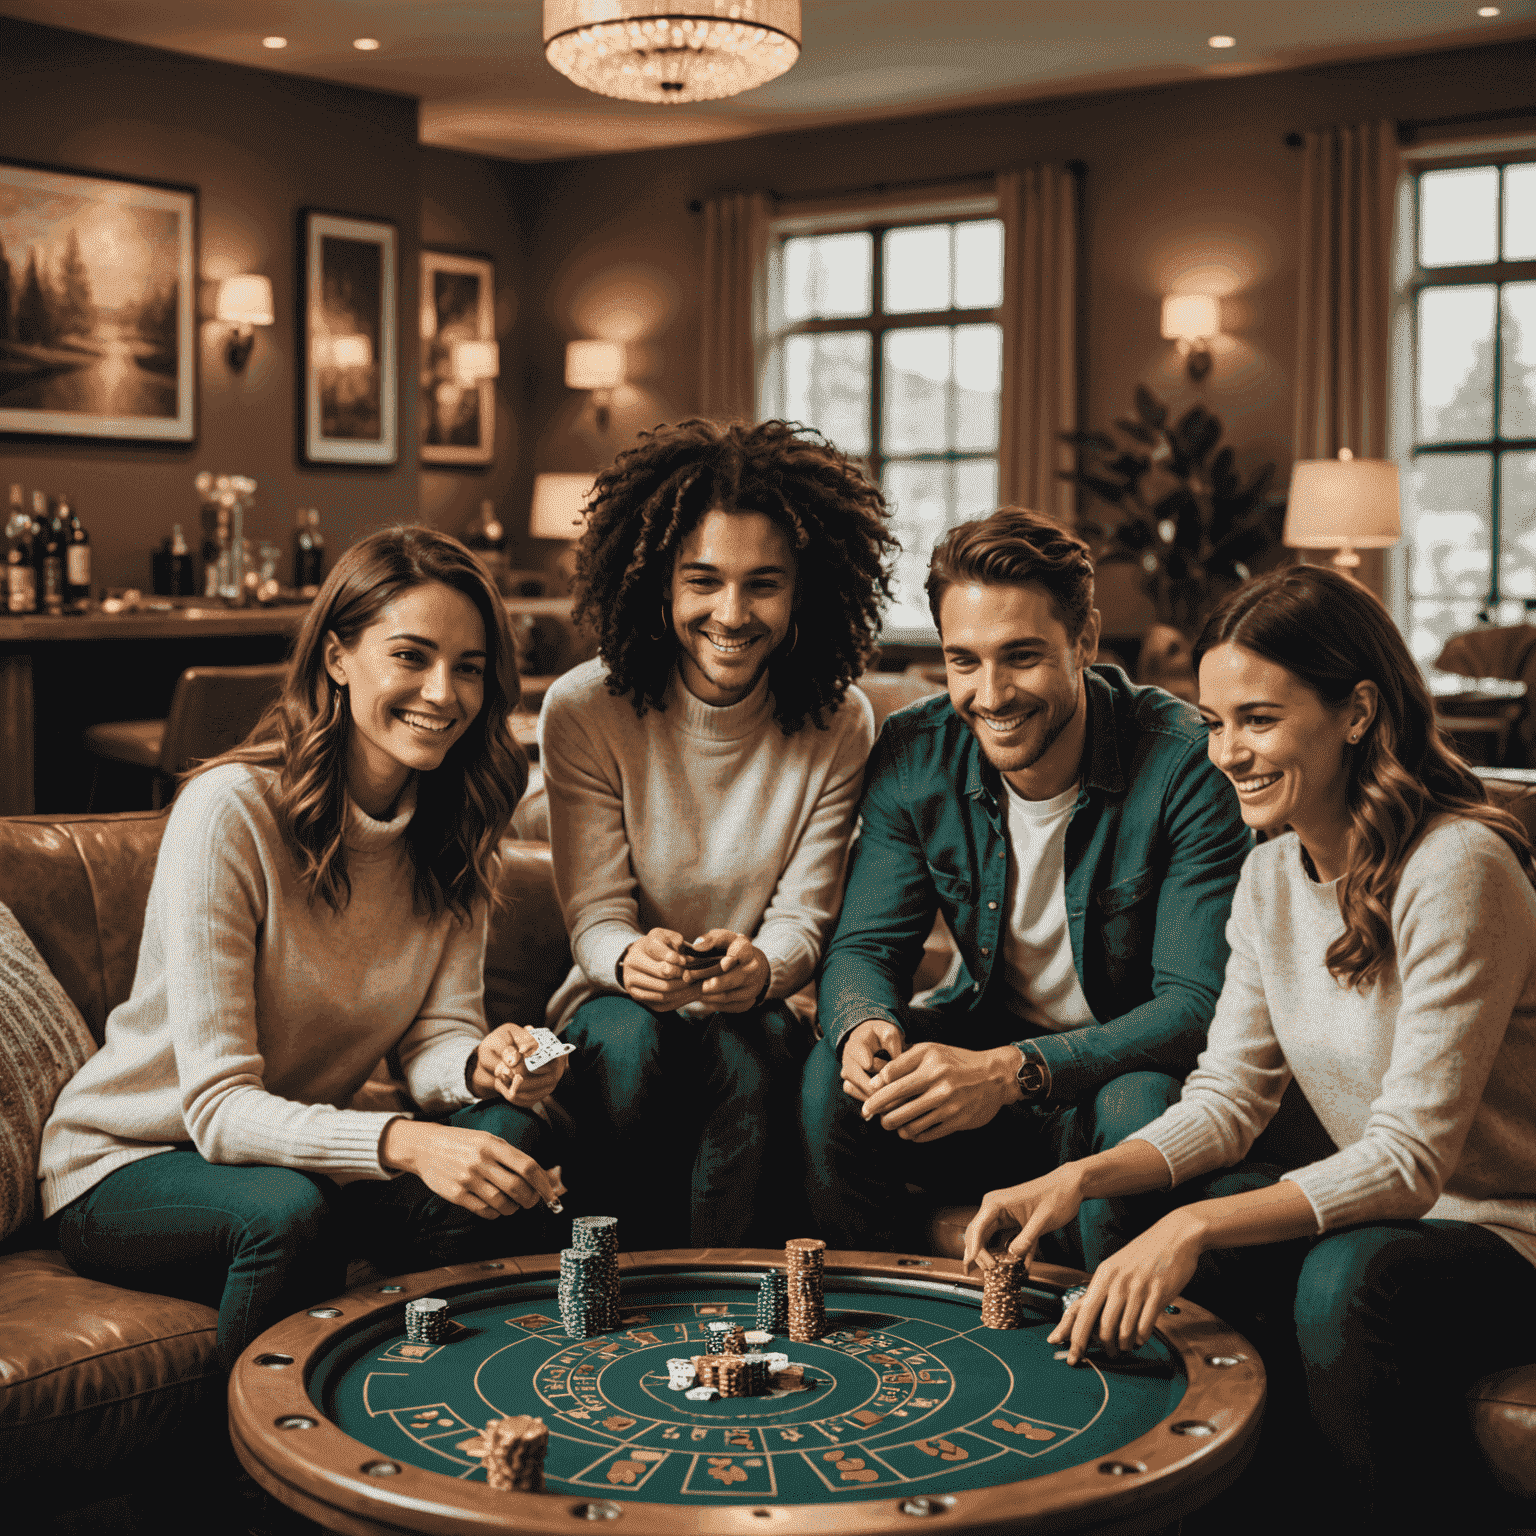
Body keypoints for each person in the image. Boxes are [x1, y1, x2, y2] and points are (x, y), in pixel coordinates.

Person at [961, 566, 1536, 1533]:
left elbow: (1409, 1162)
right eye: (1215, 722)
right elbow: (1228, 1096)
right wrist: (1085, 1180)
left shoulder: (1460, 866)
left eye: (1259, 720)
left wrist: (1186, 1231)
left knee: (1341, 1279)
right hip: (1398, 1219)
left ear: (1357, 712)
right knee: (1174, 1211)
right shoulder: (1270, 873)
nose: (1227, 752)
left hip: (1508, 1233)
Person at [40, 527, 569, 1373]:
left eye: (469, 667)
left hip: (290, 1152)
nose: (444, 692)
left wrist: (483, 1066)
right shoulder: (229, 811)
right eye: (410, 656)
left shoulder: (460, 824)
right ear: (336, 658)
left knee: (512, 1134)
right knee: (285, 1211)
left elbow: (435, 1040)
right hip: (131, 1164)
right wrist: (407, 1142)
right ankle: (259, 1489)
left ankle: (445, 1425)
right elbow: (216, 1107)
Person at [801, 508, 1252, 1261]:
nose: (991, 693)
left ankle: (1105, 1350)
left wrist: (1013, 1072)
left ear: (1085, 642)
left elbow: (1193, 1007)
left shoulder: (1181, 764)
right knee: (832, 1081)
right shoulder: (917, 751)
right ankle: (882, 1327)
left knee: (1139, 1103)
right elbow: (864, 947)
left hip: (1111, 1081)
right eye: (964, 661)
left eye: (1021, 656)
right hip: (980, 1070)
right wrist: (864, 1026)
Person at [540, 418, 896, 1247]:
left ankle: (722, 1300)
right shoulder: (583, 709)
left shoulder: (840, 721)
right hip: (613, 1001)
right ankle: (603, 1289)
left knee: (745, 1049)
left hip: (756, 1005)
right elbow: (594, 916)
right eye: (703, 580)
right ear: (658, 581)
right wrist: (632, 959)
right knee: (628, 1044)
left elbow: (806, 919)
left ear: (805, 588)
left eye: (763, 584)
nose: (731, 614)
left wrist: (765, 966)